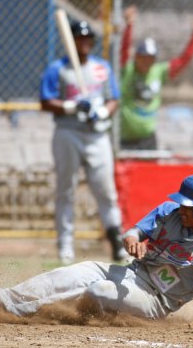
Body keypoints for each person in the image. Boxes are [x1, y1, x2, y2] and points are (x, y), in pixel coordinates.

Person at [0, 174, 193, 329]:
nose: (181, 209)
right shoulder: (169, 212)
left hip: (155, 301)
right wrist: (131, 242)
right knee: (77, 271)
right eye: (182, 204)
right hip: (132, 274)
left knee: (98, 290)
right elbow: (133, 233)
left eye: (188, 207)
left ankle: (25, 310)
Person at [40, 20, 126, 264]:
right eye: (79, 38)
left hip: (97, 134)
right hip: (68, 132)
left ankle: (116, 241)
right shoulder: (58, 69)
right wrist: (71, 105)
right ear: (73, 41)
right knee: (65, 190)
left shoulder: (102, 68)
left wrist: (101, 112)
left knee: (106, 191)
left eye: (88, 39)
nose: (84, 43)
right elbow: (46, 101)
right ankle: (66, 245)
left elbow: (113, 99)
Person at [118, 5, 193, 150]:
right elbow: (124, 48)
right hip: (124, 138)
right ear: (136, 57)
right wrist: (129, 25)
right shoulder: (127, 70)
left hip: (147, 137)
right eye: (143, 57)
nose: (146, 62)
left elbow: (184, 59)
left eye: (150, 58)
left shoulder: (158, 71)